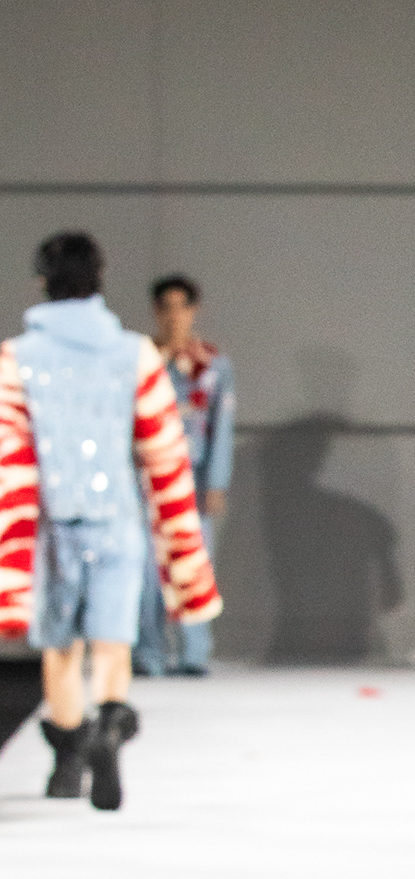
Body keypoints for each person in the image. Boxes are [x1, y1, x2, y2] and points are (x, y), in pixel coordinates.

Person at [0, 231, 219, 808]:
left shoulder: (16, 358)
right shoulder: (134, 353)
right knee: (113, 640)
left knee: (61, 646)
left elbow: (8, 458)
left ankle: (69, 757)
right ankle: (113, 721)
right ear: (99, 280)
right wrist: (182, 551)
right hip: (118, 517)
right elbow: (164, 452)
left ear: (42, 281)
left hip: (53, 525)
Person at [133, 274, 235, 676]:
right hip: (146, 475)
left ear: (194, 310)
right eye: (166, 308)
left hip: (192, 475)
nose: (174, 316)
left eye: (182, 307)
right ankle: (148, 652)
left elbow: (221, 426)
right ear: (156, 311)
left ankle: (195, 652)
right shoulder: (139, 360)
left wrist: (217, 481)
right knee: (145, 568)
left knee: (193, 562)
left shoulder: (212, 365)